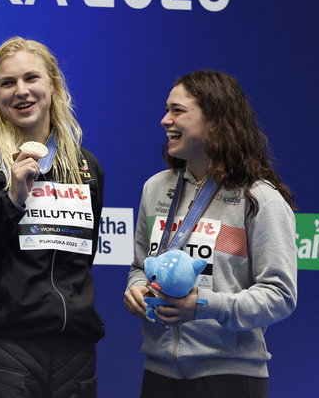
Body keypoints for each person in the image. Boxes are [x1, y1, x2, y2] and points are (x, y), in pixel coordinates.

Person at [0, 37, 105, 397]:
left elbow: (81, 258)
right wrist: (11, 198)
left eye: (32, 78)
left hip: (75, 348)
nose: (21, 91)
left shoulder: (86, 167)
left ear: (53, 84)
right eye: (8, 83)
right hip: (2, 346)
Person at [124, 70, 297, 398]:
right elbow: (139, 266)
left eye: (177, 110)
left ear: (215, 122)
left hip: (229, 376)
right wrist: (136, 288)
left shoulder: (259, 199)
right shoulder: (155, 188)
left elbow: (280, 295)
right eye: (166, 109)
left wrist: (203, 305)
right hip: (159, 371)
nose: (164, 120)